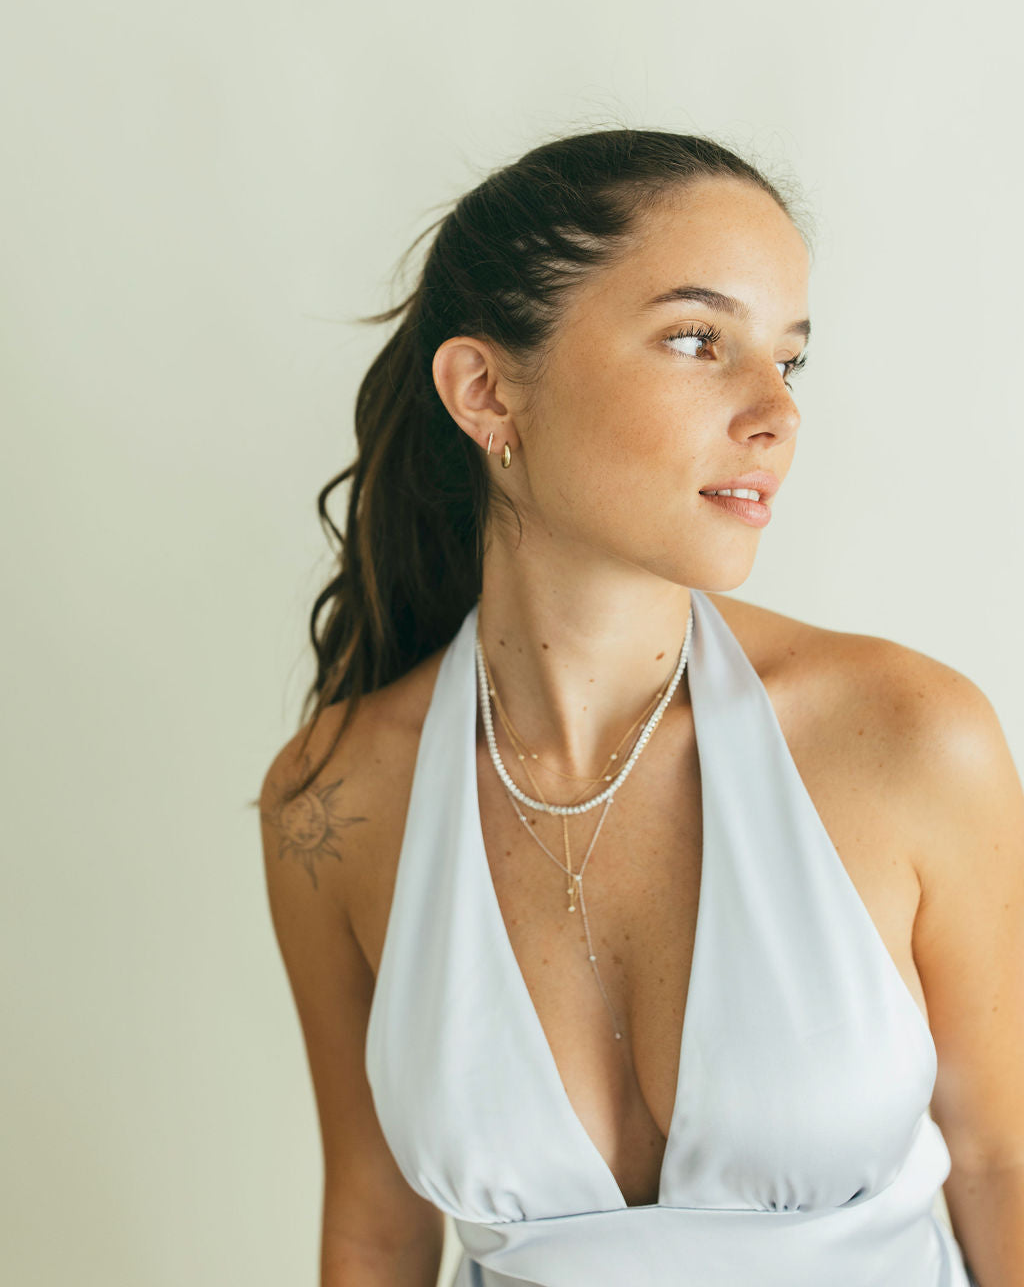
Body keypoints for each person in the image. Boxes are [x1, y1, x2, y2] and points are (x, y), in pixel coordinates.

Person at [257, 129, 1023, 1286]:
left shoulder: (911, 739)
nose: (774, 413)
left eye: (789, 361)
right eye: (696, 339)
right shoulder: (334, 803)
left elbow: (1002, 1166)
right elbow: (374, 1228)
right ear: (485, 389)